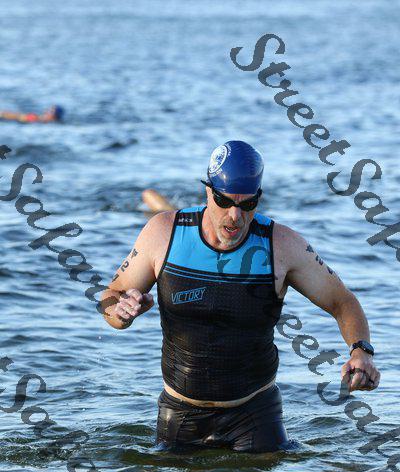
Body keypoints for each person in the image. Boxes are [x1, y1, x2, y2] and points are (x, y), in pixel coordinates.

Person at [101, 140, 380, 453]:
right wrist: (121, 313)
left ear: (258, 197)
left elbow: (343, 302)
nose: (235, 215)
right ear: (208, 191)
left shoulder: (282, 245)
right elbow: (111, 296)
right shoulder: (164, 233)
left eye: (247, 204)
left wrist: (361, 351)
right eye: (224, 201)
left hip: (255, 415)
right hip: (180, 414)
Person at [0, 105, 64, 123]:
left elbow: (19, 117)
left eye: (51, 111)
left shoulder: (37, 119)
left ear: (55, 116)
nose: (47, 111)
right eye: (49, 109)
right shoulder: (39, 118)